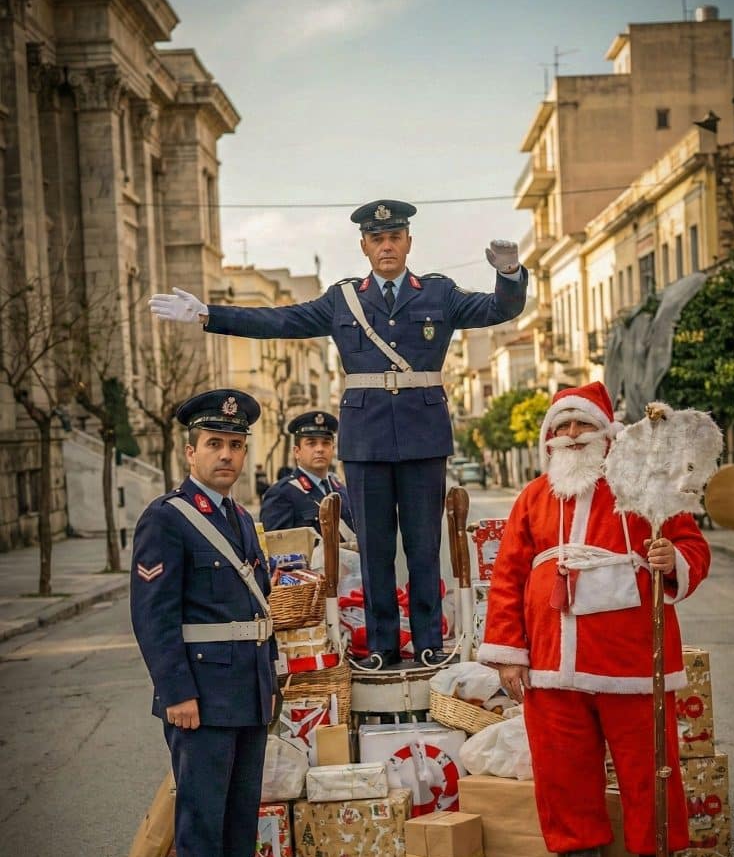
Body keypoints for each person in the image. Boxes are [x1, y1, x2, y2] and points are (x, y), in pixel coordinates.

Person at [149, 199, 527, 670]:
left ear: (408, 242)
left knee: (423, 545)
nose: (386, 246)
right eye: (377, 239)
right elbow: (281, 320)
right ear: (364, 246)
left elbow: (496, 308)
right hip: (366, 439)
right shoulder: (343, 299)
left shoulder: (438, 293)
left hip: (423, 436)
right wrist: (210, 315)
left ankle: (428, 642)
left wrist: (509, 273)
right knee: (374, 548)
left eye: (394, 237)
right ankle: (383, 646)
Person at [477, 382, 711, 857]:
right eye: (561, 426)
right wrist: (510, 653)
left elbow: (692, 545)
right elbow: (508, 577)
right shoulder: (533, 497)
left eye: (582, 424)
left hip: (632, 662)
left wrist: (672, 558)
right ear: (548, 438)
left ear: (607, 433)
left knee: (649, 768)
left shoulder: (644, 488)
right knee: (562, 771)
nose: (572, 434)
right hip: (551, 662)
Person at [130, 389, 292, 857]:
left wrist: (270, 678)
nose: (226, 455)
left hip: (246, 687)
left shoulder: (239, 518)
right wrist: (177, 693)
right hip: (199, 692)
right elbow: (153, 617)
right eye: (215, 444)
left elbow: (256, 609)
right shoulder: (167, 518)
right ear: (190, 452)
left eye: (235, 445)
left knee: (241, 807)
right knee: (201, 815)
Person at [260, 410, 355, 541]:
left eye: (326, 443)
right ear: (297, 452)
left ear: (333, 449)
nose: (320, 449)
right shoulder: (282, 494)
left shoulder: (342, 490)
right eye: (311, 443)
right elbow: (276, 547)